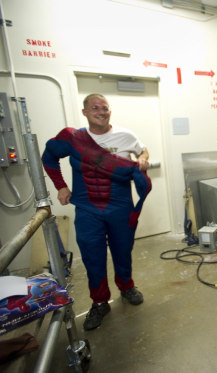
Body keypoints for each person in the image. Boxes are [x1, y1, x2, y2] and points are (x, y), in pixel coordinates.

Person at [42, 93, 152, 331]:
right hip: (87, 208)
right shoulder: (73, 138)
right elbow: (49, 157)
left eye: (105, 108)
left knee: (123, 251)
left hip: (120, 206)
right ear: (84, 112)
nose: (101, 112)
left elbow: (144, 151)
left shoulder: (125, 135)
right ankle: (100, 302)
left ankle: (126, 287)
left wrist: (142, 159)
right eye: (95, 108)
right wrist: (60, 185)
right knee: (93, 256)